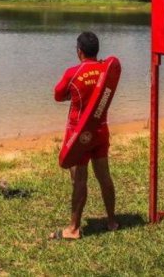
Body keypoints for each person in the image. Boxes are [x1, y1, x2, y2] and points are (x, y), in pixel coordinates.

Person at [49, 31, 118, 240]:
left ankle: (73, 228)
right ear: (96, 50)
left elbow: (58, 95)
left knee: (79, 180)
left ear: (79, 51)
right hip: (100, 129)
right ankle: (112, 221)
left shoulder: (73, 72)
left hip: (78, 132)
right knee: (104, 176)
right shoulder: (104, 71)